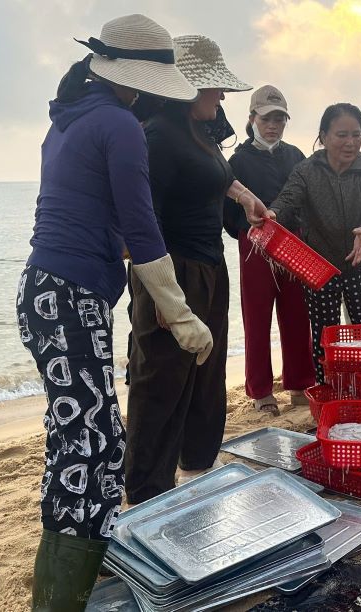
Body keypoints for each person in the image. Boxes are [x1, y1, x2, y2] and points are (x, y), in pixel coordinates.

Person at [16, 14, 215, 610]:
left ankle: (83, 572)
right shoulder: (120, 125)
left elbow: (88, 213)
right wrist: (180, 312)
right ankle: (59, 599)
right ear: (139, 79)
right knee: (90, 445)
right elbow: (142, 227)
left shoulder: (70, 119)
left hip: (43, 292)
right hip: (71, 298)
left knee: (85, 440)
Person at [124, 35, 260, 504]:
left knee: (205, 374)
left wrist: (244, 197)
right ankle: (147, 492)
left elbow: (215, 176)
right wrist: (164, 299)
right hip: (172, 270)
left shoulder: (200, 129)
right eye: (214, 86)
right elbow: (144, 221)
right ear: (185, 87)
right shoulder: (159, 135)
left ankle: (198, 464)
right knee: (162, 382)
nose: (221, 96)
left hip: (208, 267)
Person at [268, 103, 361, 382]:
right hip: (319, 269)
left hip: (360, 263)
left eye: (356, 134)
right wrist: (272, 214)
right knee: (325, 339)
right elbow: (287, 200)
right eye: (342, 135)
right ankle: (329, 389)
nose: (351, 142)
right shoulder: (306, 171)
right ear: (323, 136)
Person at [226, 85, 316, 415]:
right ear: (252, 119)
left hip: (293, 244)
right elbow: (227, 212)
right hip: (254, 246)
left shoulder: (296, 156)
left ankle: (300, 383)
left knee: (297, 315)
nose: (273, 125)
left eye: (279, 119)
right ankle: (261, 390)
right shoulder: (237, 161)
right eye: (266, 119)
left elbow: (307, 201)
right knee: (257, 317)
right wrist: (250, 231)